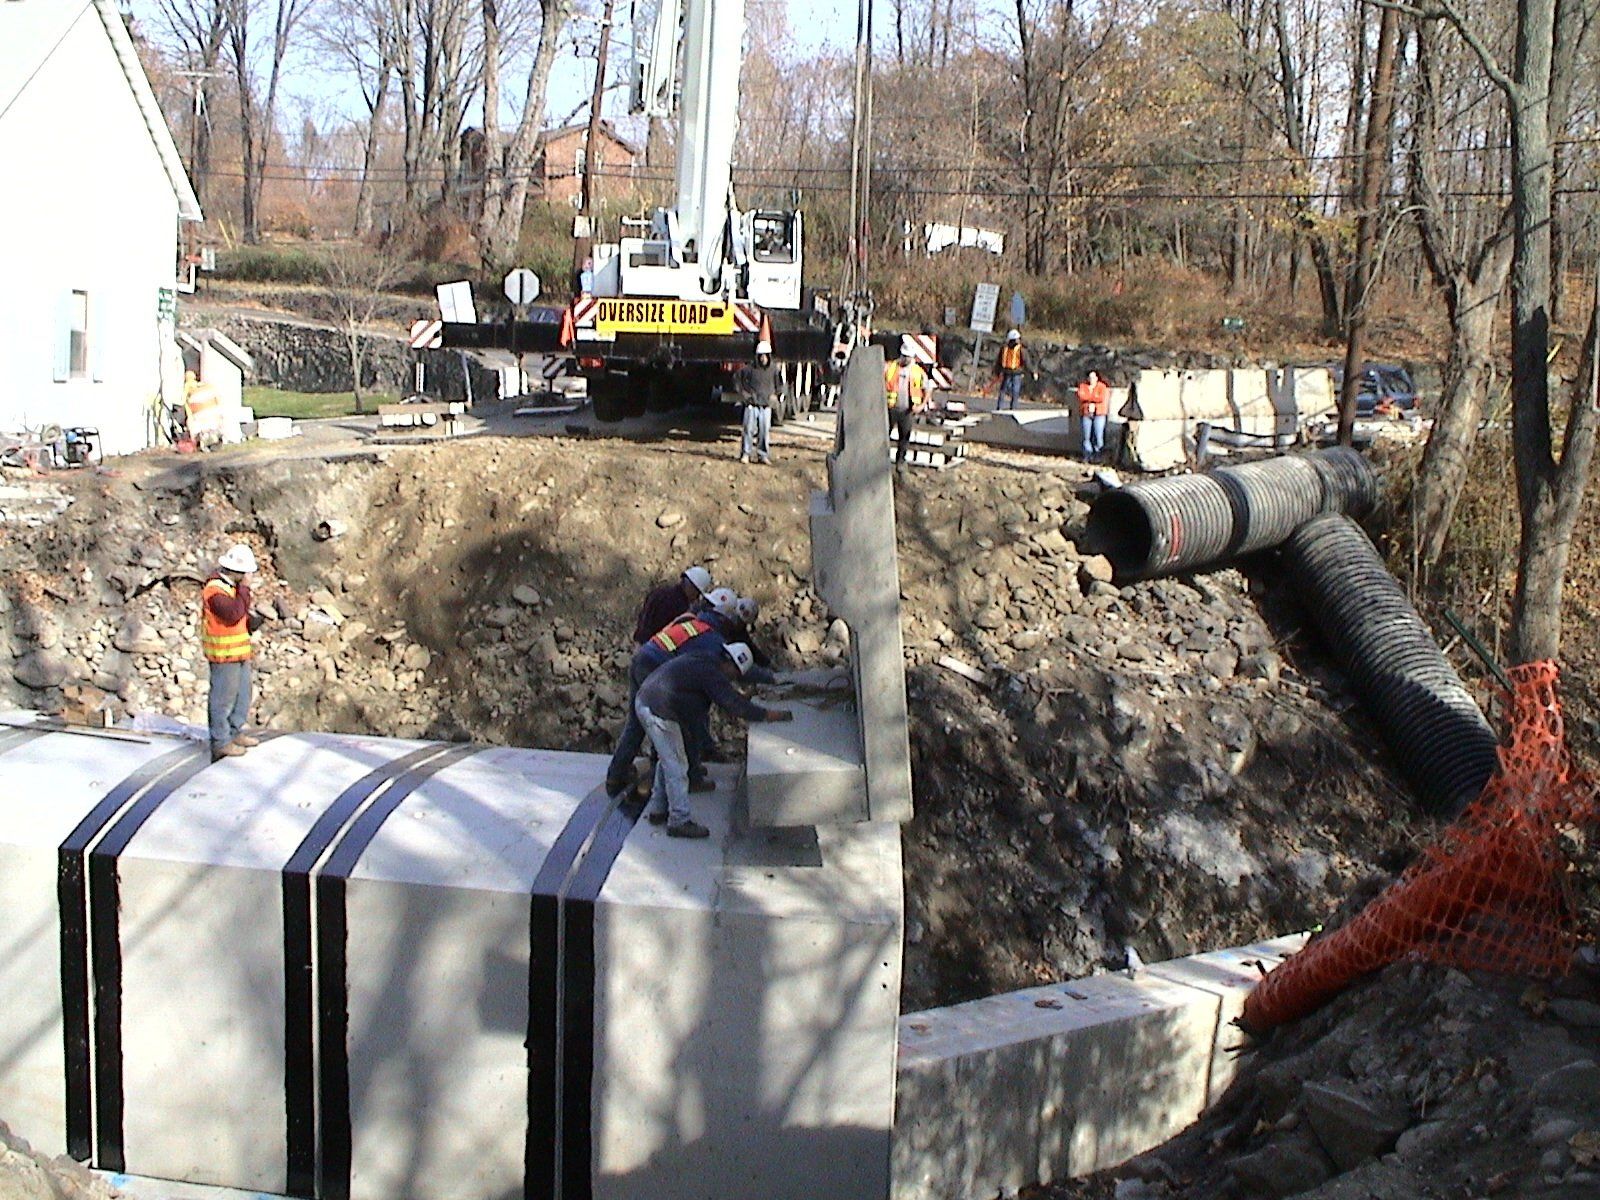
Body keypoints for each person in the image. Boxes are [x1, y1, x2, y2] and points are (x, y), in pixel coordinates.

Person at [635, 642, 792, 838]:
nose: (733, 679)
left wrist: (769, 679)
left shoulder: (707, 657)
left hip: (650, 701)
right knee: (676, 766)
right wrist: (766, 714)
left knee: (667, 759)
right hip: (657, 710)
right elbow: (732, 703)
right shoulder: (712, 673)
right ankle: (679, 821)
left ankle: (658, 810)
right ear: (729, 663)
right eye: (735, 674)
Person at [202, 543, 264, 762]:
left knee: (242, 695)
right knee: (222, 698)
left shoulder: (230, 589)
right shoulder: (215, 590)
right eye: (245, 573)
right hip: (223, 653)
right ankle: (220, 741)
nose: (248, 577)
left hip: (239, 652)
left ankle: (234, 732)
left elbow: (239, 617)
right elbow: (232, 613)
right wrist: (245, 590)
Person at [632, 565, 713, 647]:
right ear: (692, 588)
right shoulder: (680, 606)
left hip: (641, 642)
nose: (696, 598)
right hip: (653, 647)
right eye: (697, 594)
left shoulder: (661, 591)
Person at [884, 335, 928, 474]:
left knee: (904, 438)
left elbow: (927, 389)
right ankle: (882, 462)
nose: (905, 359)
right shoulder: (891, 368)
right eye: (904, 356)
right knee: (885, 436)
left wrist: (921, 405)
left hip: (908, 410)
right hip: (891, 408)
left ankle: (900, 462)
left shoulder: (917, 372)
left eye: (908, 356)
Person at [739, 342, 778, 465]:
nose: (763, 358)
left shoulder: (773, 370)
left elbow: (780, 384)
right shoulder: (749, 369)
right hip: (752, 405)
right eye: (761, 355)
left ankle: (763, 455)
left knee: (764, 431)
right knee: (748, 430)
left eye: (766, 355)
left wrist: (776, 395)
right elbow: (737, 379)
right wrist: (745, 395)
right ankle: (746, 453)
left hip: (766, 406)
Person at [992, 329, 1036, 411]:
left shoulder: (1005, 348)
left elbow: (999, 361)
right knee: (1014, 391)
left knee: (1005, 390)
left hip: (1009, 372)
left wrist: (997, 372)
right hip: (1015, 372)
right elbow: (1026, 362)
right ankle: (1012, 408)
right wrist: (1032, 371)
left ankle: (1000, 407)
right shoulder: (1020, 349)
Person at [1075, 370, 1111, 462]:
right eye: (1090, 377)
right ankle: (1087, 455)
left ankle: (1098, 456)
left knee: (1098, 436)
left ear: (1097, 378)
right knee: (1086, 437)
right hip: (1086, 414)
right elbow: (1081, 396)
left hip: (1099, 414)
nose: (1091, 379)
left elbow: (1101, 397)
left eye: (1093, 377)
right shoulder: (1083, 386)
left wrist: (1089, 398)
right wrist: (1094, 398)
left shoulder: (1102, 387)